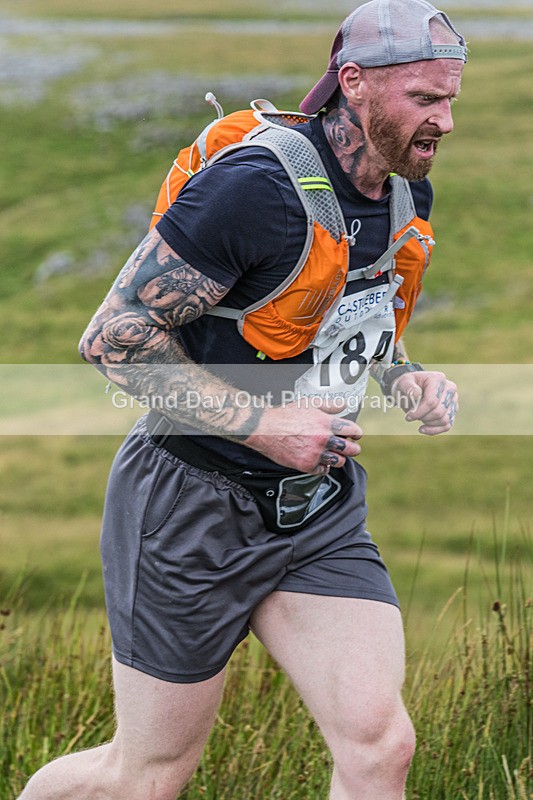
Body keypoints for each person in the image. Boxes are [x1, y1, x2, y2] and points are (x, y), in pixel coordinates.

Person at [19, 1, 465, 798]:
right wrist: (264, 426)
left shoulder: (404, 194)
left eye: (450, 100)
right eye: (424, 101)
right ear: (355, 85)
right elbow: (112, 337)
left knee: (380, 747)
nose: (444, 122)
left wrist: (405, 378)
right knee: (146, 775)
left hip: (316, 509)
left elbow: (340, 321)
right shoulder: (254, 188)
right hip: (191, 504)